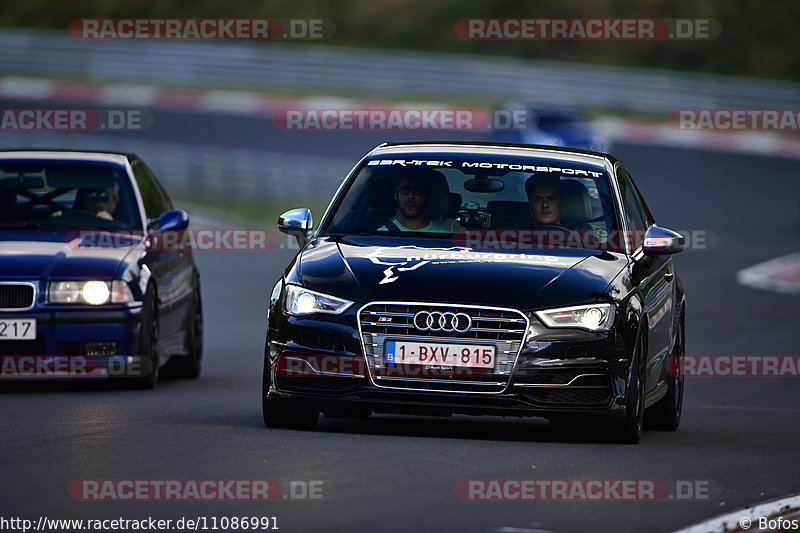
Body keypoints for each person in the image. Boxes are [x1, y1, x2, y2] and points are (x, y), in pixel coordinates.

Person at [378, 174, 449, 233]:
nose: (410, 196)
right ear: (395, 195)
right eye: (405, 190)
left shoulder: (445, 237)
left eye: (417, 191)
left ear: (428, 196)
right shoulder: (380, 236)